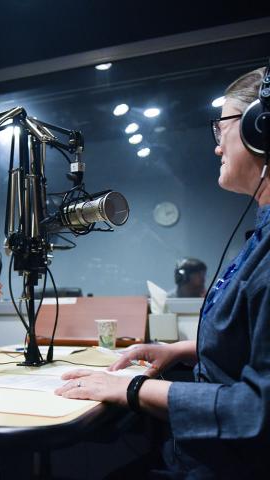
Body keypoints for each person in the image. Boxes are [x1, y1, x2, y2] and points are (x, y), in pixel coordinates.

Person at [56, 66, 270, 478]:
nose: (217, 148)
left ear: (259, 127)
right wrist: (177, 351)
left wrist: (132, 388)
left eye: (220, 130)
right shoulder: (259, 237)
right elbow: (250, 335)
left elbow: (257, 411)